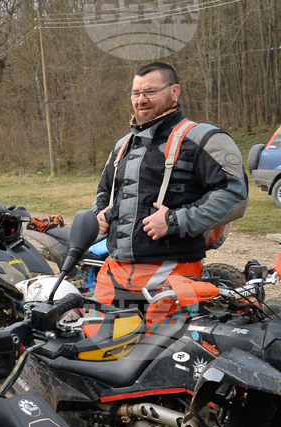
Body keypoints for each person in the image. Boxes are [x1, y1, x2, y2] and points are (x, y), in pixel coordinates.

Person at [92, 62, 247, 327]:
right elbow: (105, 191)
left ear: (174, 91)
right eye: (135, 93)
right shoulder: (122, 145)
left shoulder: (204, 138)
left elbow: (234, 196)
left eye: (150, 92)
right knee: (95, 355)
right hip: (114, 275)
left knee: (161, 362)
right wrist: (100, 213)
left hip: (173, 276)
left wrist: (175, 220)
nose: (141, 100)